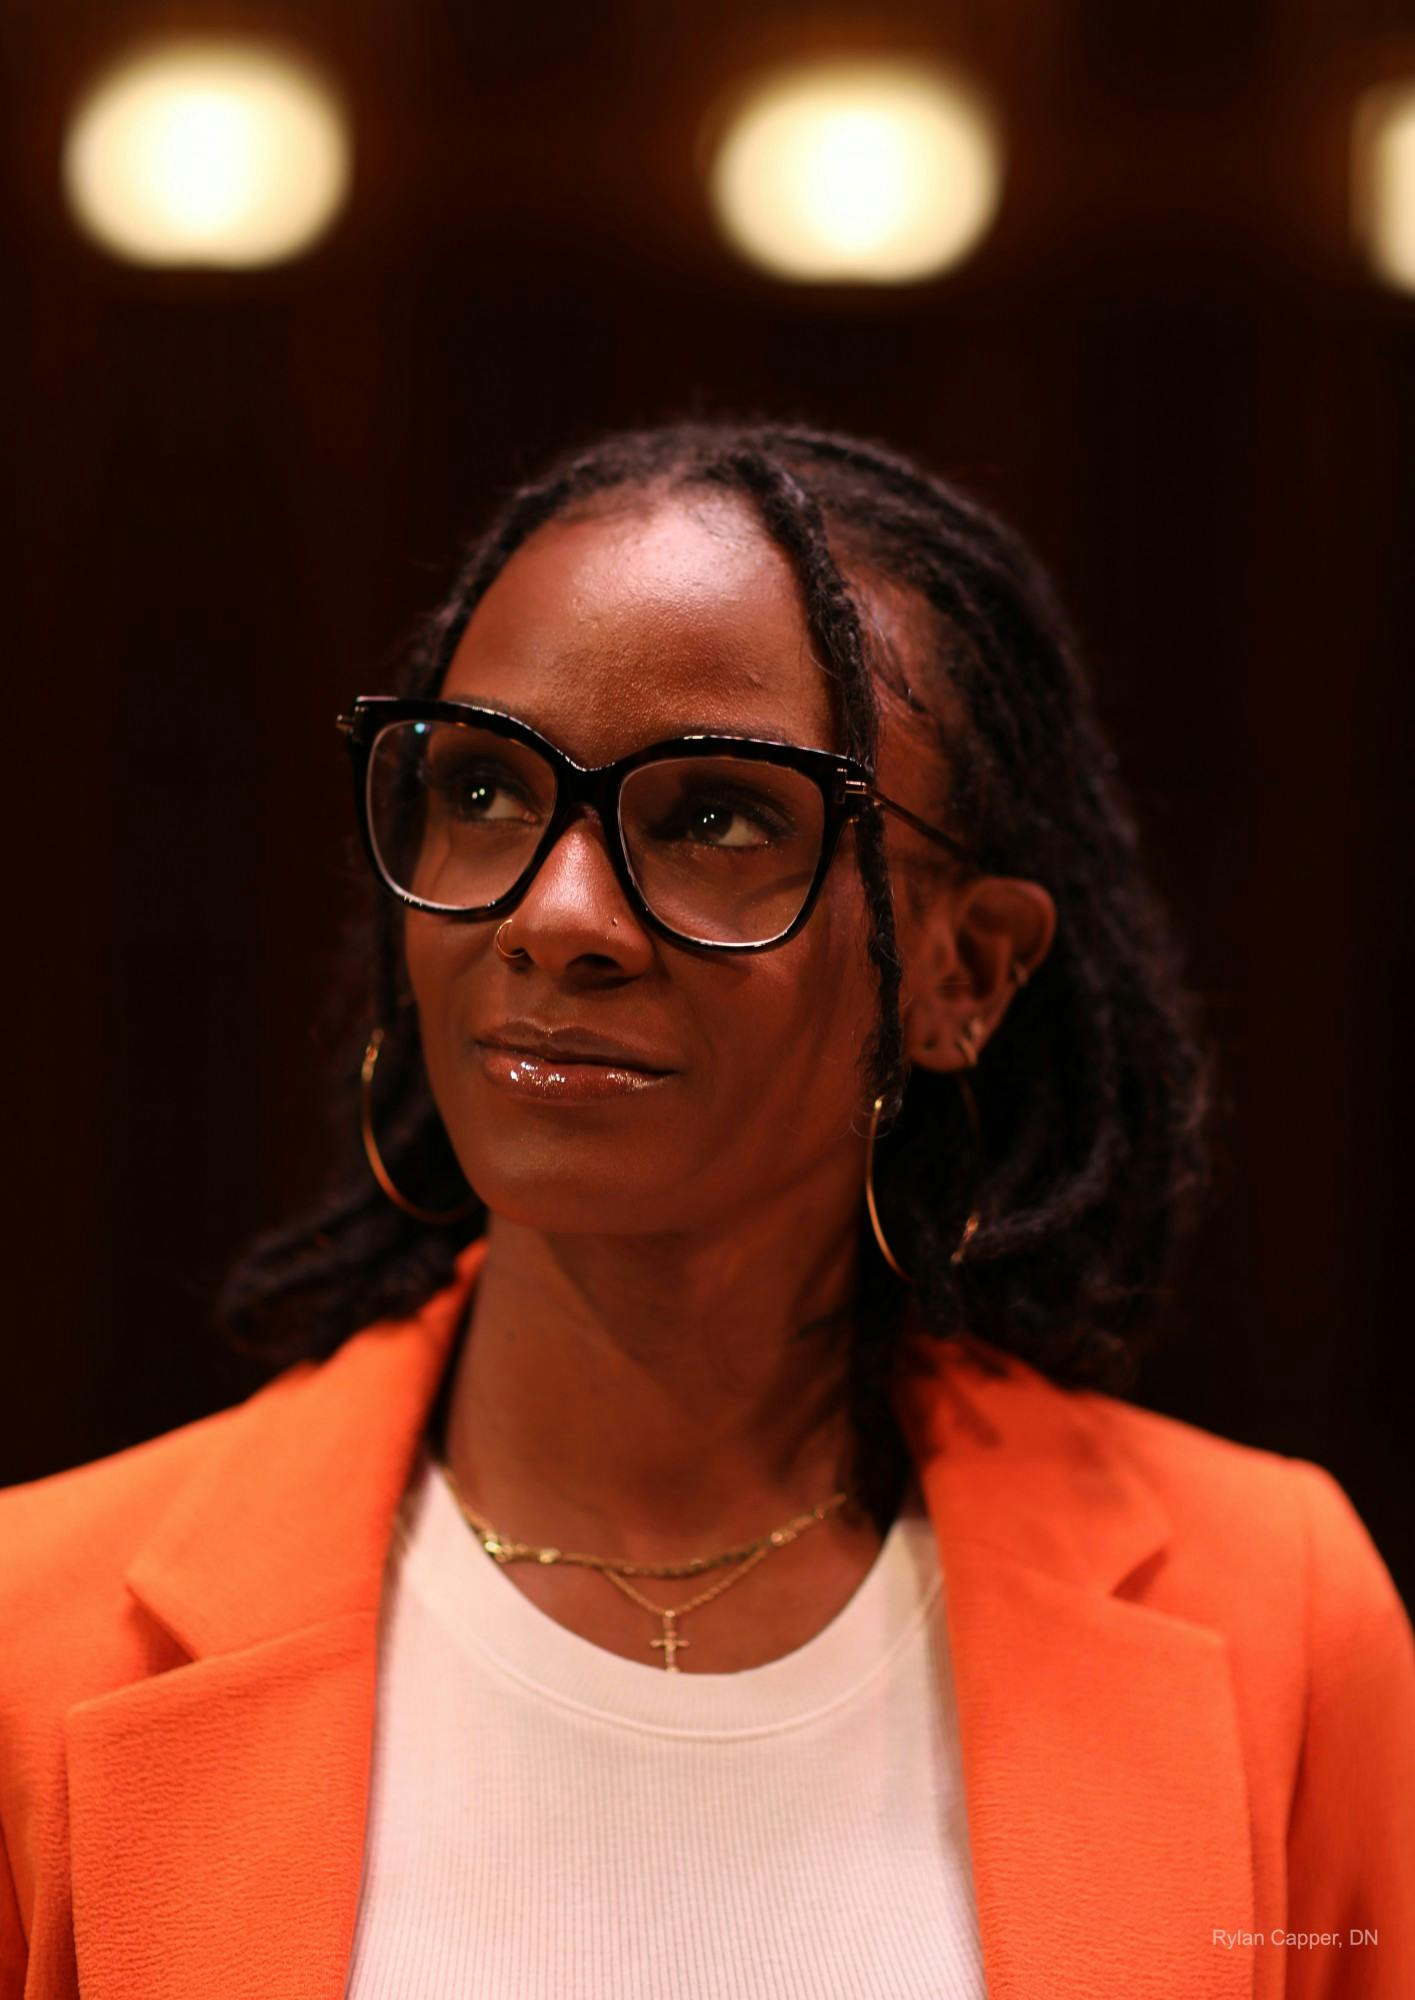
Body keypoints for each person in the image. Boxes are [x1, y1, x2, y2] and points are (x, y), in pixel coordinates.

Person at [2, 417, 1411, 1999]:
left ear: (965, 973)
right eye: (480, 787)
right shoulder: (31, 1645)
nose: (554, 914)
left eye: (720, 817)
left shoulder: (1282, 1616)